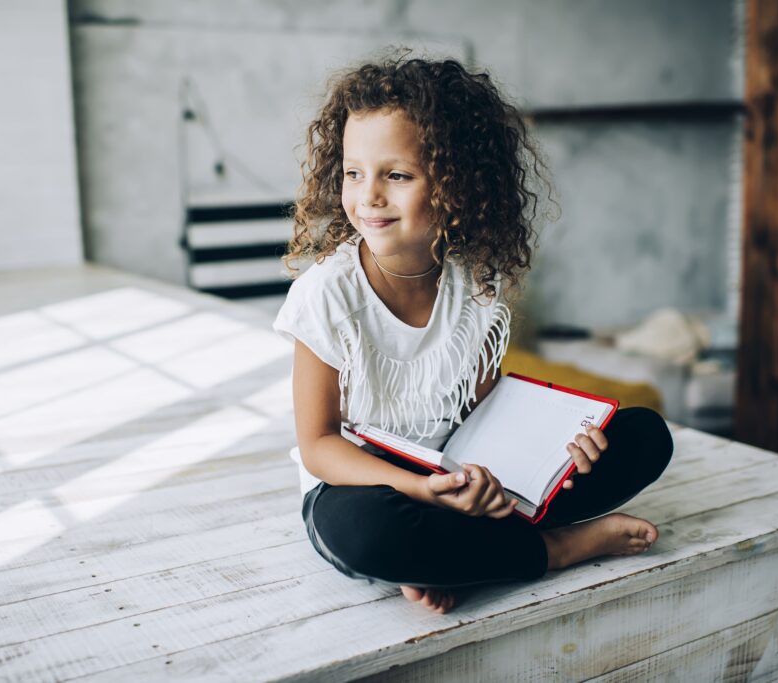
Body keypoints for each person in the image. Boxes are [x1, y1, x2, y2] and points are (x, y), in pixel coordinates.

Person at [273, 55, 673, 614]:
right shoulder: (327, 295)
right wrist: (420, 489)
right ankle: (550, 550)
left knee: (644, 435)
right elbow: (319, 447)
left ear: (455, 185)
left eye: (398, 175)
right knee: (366, 533)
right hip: (368, 488)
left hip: (465, 477)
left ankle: (452, 556)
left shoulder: (475, 286)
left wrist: (556, 450)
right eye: (353, 172)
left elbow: (484, 410)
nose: (368, 196)